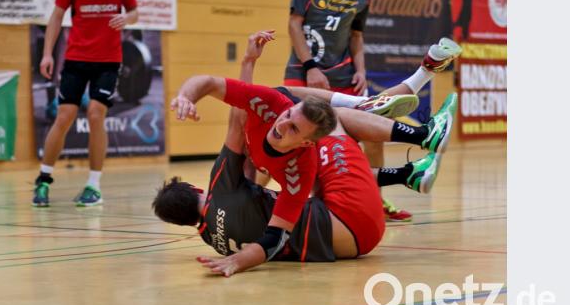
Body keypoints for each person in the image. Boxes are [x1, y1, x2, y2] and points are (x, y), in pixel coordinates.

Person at [169, 33, 456, 276]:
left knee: (314, 147)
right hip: (352, 218)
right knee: (331, 117)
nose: (281, 123)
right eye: (289, 121)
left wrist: (236, 260)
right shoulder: (292, 170)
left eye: (288, 117)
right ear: (197, 189)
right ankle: (417, 132)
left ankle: (407, 171)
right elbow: (236, 119)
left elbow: (238, 110)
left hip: (346, 231)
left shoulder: (213, 241)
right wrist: (243, 64)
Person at [283, 0, 462, 221]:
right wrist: (310, 67)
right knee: (297, 137)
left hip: (344, 73)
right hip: (303, 72)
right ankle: (287, 200)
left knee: (374, 133)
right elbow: (293, 25)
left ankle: (375, 201)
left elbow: (356, 36)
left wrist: (361, 70)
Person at [33, 0, 139, 207]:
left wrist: (127, 18)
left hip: (108, 61)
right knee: (64, 116)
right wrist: (47, 54)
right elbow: (56, 16)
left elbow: (134, 12)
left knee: (95, 114)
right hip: (77, 58)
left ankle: (93, 185)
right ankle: (43, 180)